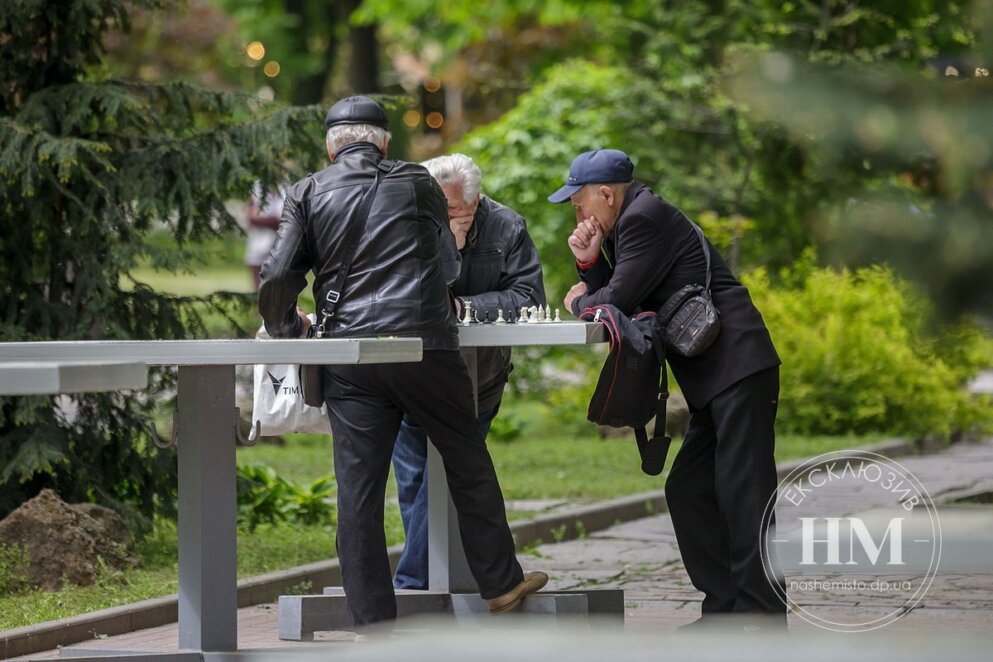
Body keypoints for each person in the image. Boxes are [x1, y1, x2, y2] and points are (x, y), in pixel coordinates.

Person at [258, 96, 547, 628]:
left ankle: (374, 620)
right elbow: (445, 264)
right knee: (467, 458)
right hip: (423, 349)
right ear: (384, 143)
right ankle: (501, 584)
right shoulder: (416, 181)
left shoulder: (306, 191)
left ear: (330, 147)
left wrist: (287, 330)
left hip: (348, 357)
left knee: (359, 491)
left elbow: (277, 276)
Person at [549, 149, 785, 626]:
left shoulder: (642, 219)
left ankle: (760, 619)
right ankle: (724, 611)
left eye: (579, 204)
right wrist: (589, 262)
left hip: (737, 367)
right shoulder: (633, 219)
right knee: (689, 489)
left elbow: (614, 300)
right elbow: (620, 292)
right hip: (719, 377)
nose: (579, 215)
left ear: (607, 194)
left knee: (744, 493)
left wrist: (580, 300)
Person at [391, 154, 546, 590]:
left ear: (476, 204)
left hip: (477, 379)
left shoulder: (506, 227)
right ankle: (437, 583)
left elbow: (530, 299)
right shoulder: (406, 222)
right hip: (410, 375)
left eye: (452, 210)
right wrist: (445, 257)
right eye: (432, 207)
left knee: (450, 476)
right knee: (417, 482)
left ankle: (412, 586)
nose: (440, 218)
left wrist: (466, 307)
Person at [244, 184, 285, 292]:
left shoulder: (288, 186)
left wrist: (268, 220)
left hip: (281, 248)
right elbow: (252, 218)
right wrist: (275, 220)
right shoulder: (256, 187)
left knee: (280, 293)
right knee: (259, 292)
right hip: (257, 247)